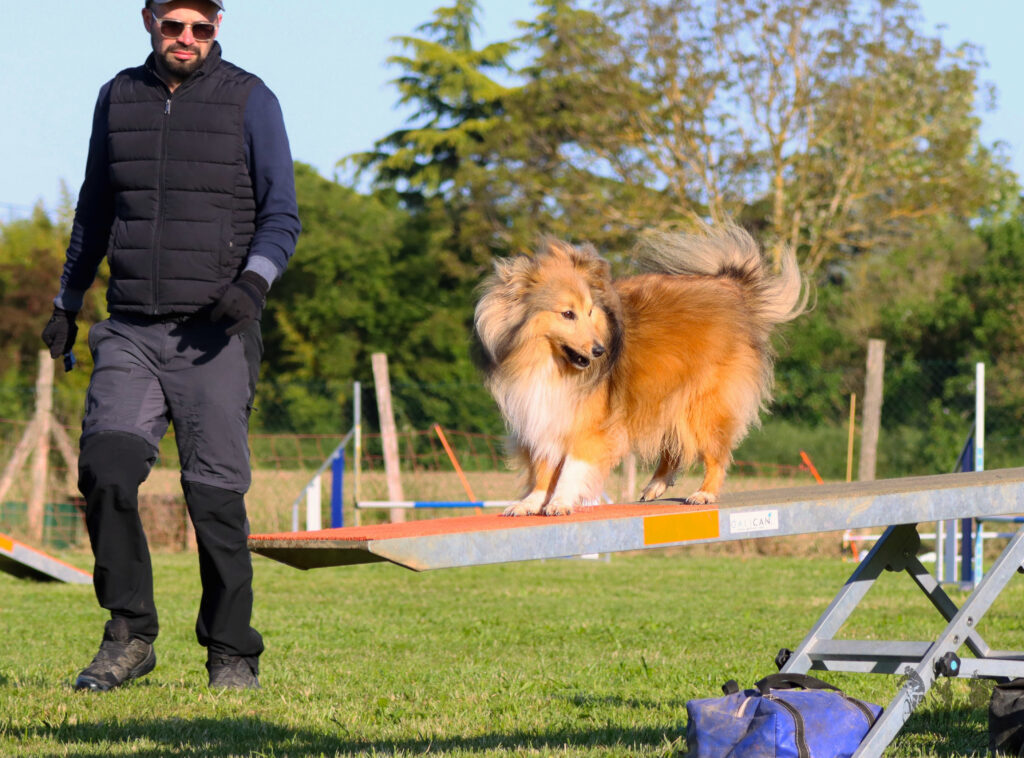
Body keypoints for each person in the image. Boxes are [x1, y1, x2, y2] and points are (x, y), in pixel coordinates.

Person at [41, 0, 300, 691]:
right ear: (149, 21)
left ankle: (231, 651)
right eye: (173, 25)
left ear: (218, 28)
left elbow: (282, 218)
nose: (186, 38)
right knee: (106, 469)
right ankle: (128, 634)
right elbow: (94, 208)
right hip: (129, 328)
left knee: (213, 497)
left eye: (201, 28)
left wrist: (254, 283)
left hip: (215, 334)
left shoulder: (251, 99)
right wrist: (67, 304)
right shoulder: (117, 97)